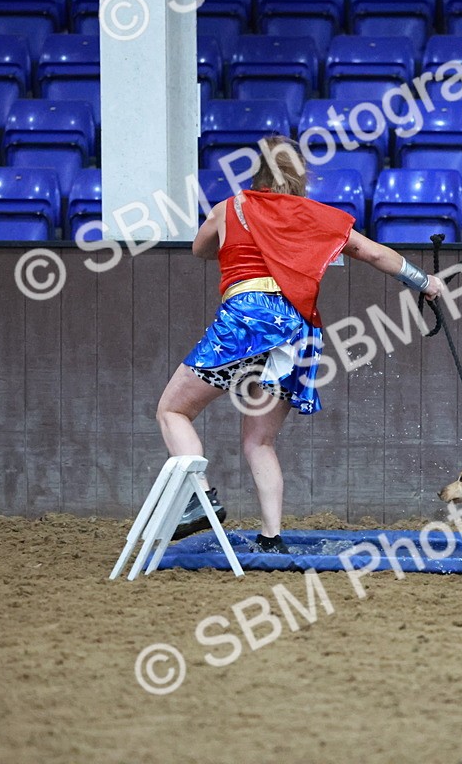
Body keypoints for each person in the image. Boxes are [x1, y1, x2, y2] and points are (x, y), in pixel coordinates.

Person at [156, 136, 445, 553]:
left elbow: (200, 249)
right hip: (297, 330)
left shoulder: (230, 208)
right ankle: (271, 538)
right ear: (301, 175)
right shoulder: (318, 216)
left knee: (173, 410)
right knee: (260, 441)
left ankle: (199, 498)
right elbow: (375, 253)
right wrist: (426, 282)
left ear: (257, 172)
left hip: (246, 318)